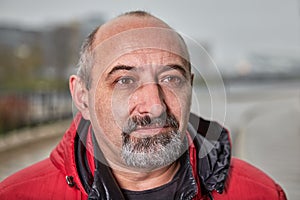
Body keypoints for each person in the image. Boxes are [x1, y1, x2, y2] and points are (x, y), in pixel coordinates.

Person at [0, 11, 286, 200]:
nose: (155, 106)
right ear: (82, 97)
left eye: (171, 78)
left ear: (190, 86)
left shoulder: (258, 193)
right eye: (125, 80)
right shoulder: (17, 195)